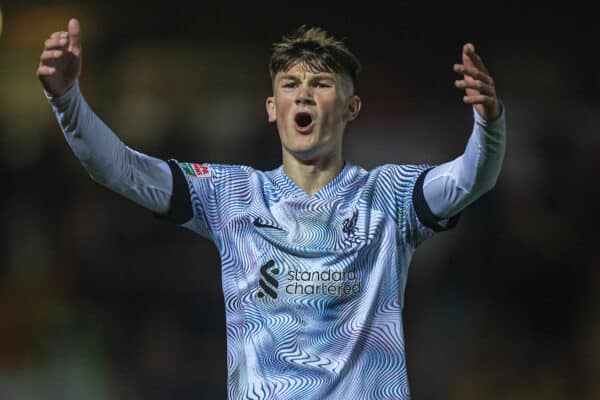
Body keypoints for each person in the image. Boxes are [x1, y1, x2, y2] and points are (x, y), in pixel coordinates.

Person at [38, 18, 506, 399]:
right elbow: (120, 169)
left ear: (350, 108)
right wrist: (66, 100)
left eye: (321, 84)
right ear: (271, 107)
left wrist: (489, 123)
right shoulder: (230, 195)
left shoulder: (389, 195)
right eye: (290, 84)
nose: (303, 94)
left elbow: (471, 178)